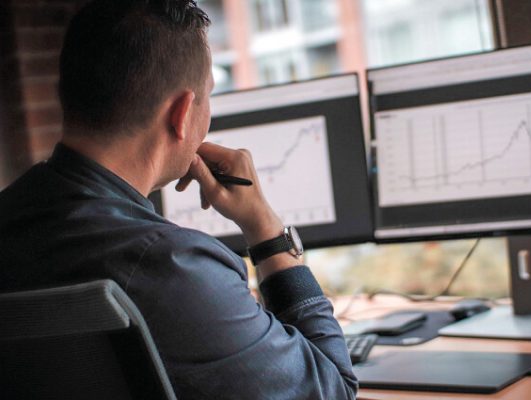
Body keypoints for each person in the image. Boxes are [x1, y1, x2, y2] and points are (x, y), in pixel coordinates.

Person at [0, 0, 357, 398]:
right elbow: (334, 389)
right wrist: (266, 229)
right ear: (183, 113)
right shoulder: (174, 267)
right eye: (209, 97)